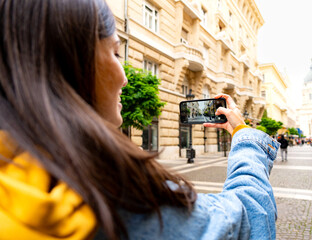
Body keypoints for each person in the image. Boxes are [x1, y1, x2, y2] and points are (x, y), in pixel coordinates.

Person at [0, 0, 279, 239]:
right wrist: (243, 134)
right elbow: (248, 219)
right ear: (72, 62)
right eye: (115, 52)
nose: (124, 77)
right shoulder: (113, 195)